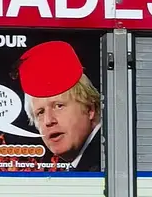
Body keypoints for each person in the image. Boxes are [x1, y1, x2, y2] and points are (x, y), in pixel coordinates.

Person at [18, 41, 102, 171]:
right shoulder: (86, 164)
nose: (48, 121)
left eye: (59, 106)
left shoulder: (107, 161)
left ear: (89, 109)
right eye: (40, 113)